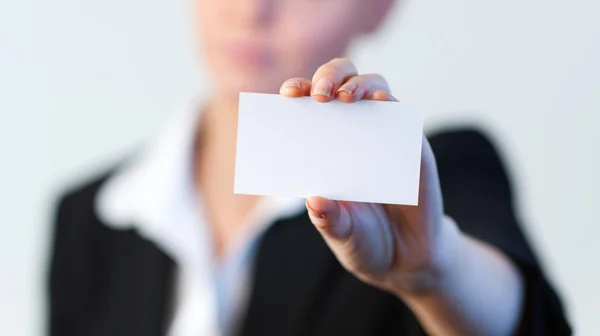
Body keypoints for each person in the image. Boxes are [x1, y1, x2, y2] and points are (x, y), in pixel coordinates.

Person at [47, 0, 572, 335]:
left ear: (380, 7)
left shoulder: (423, 179)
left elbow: (523, 319)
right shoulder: (90, 217)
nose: (253, 8)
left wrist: (435, 274)